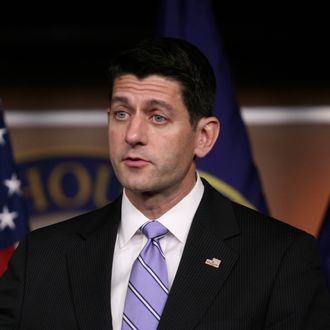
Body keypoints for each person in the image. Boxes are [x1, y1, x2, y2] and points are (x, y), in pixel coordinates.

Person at [0, 38, 329, 330]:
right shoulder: (40, 257)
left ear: (204, 136)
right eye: (121, 113)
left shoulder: (279, 257)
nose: (133, 135)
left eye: (158, 117)